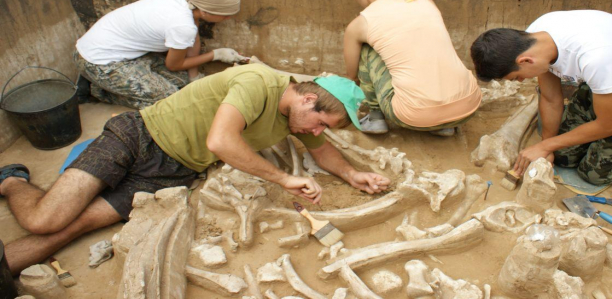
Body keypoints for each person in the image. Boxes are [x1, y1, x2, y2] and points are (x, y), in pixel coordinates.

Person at [0, 64, 390, 275]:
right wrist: (284, 178)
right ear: (308, 98)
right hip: (138, 136)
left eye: (325, 130)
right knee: (46, 219)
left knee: (76, 225)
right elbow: (220, 142)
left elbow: (323, 153)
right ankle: (13, 179)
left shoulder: (299, 118)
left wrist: (353, 175)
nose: (317, 133)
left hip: (171, 175)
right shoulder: (257, 82)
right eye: (320, 123)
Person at [470, 10, 612, 185]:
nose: (521, 82)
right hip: (604, 82)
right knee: (563, 155)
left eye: (516, 77)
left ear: (525, 60)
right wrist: (548, 146)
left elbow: (609, 125)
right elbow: (551, 98)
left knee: (594, 174)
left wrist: (545, 146)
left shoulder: (596, 58)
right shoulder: (534, 38)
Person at [342, 0, 482, 137]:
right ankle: (443, 125)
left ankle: (375, 118)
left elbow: (352, 76)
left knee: (368, 49)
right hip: (468, 108)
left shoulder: (362, 23)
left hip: (413, 117)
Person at [75, 0, 248, 109]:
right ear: (205, 11)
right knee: (173, 100)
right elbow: (174, 64)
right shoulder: (181, 25)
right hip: (99, 61)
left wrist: (193, 77)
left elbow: (192, 37)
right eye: (225, 15)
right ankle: (98, 90)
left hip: (125, 53)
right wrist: (216, 55)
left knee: (185, 84)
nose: (229, 18)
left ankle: (109, 86)